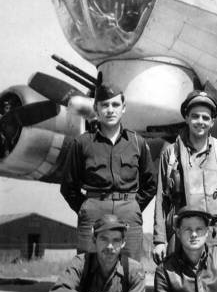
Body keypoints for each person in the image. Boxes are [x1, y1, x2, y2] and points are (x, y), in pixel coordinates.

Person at [60, 83, 156, 261]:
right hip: (94, 210)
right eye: (104, 105)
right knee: (89, 268)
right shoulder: (82, 143)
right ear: (96, 109)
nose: (110, 110)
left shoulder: (137, 142)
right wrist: (86, 208)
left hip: (129, 211)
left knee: (131, 268)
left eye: (115, 105)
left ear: (123, 108)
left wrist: (133, 207)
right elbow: (68, 186)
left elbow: (151, 184)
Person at [153, 90, 217, 263]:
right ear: (186, 118)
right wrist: (159, 240)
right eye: (195, 116)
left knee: (216, 285)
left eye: (205, 118)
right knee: (180, 286)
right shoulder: (170, 154)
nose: (200, 122)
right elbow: (161, 200)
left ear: (212, 122)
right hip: (182, 235)